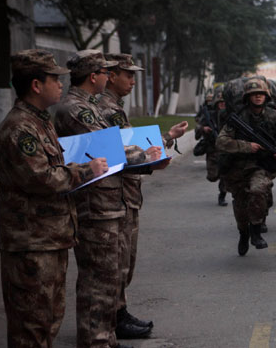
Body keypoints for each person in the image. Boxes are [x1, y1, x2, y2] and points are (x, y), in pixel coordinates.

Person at [0, 49, 108, 348]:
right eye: (54, 79)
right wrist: (87, 169)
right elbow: (44, 178)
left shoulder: (39, 120)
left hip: (49, 239)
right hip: (30, 245)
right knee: (31, 329)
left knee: (47, 322)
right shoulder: (20, 128)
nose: (61, 84)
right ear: (36, 85)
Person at [54, 49, 161, 348]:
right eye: (105, 72)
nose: (108, 77)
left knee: (108, 273)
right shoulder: (77, 109)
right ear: (94, 76)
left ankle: (104, 336)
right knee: (98, 278)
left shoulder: (85, 106)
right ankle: (96, 340)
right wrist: (150, 154)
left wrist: (151, 152)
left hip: (107, 199)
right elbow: (110, 146)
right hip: (95, 203)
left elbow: (113, 144)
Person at [98, 53, 186, 338]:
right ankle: (109, 322)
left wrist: (168, 137)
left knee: (124, 264)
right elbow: (113, 153)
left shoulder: (115, 108)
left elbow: (130, 145)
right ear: (111, 75)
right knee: (111, 267)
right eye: (128, 74)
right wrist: (148, 158)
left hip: (125, 196)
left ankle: (118, 314)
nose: (133, 80)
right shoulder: (102, 108)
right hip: (110, 198)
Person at [216, 78, 276, 255]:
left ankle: (256, 230)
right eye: (254, 95)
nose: (258, 97)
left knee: (258, 190)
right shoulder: (238, 117)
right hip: (237, 167)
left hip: (260, 165)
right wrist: (247, 146)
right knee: (240, 206)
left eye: (261, 94)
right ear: (248, 97)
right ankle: (243, 233)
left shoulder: (273, 116)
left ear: (266, 96)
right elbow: (221, 141)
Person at [196, 89, 228, 206]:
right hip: (212, 150)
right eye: (220, 103)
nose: (222, 105)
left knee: (224, 174)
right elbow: (198, 127)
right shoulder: (210, 115)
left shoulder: (229, 116)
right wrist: (203, 129)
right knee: (212, 176)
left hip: (226, 150)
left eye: (224, 102)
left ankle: (222, 195)